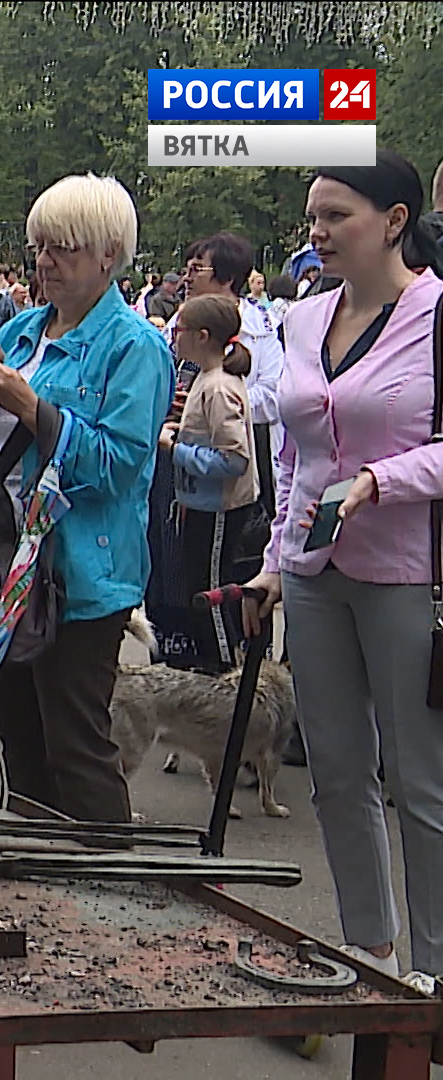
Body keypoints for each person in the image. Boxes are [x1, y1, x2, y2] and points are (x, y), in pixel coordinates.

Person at [243, 149, 443, 990]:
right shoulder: (300, 319)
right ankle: (372, 950)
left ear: (394, 221)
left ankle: (434, 968)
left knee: (420, 779)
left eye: (336, 216)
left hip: (406, 573)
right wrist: (273, 563)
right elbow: (294, 457)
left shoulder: (437, 315)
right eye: (313, 217)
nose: (317, 232)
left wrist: (381, 481)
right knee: (334, 767)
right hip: (315, 571)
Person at [0, 174, 171, 823]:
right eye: (39, 246)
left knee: (75, 741)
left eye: (63, 248)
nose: (44, 261)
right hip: (8, 563)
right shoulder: (19, 331)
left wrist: (35, 409)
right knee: (16, 733)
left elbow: (123, 467)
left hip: (80, 575)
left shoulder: (135, 346)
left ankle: (111, 892)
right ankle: (39, 886)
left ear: (109, 254)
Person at [159, 295, 264, 674]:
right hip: (200, 505)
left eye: (180, 330)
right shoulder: (207, 380)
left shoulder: (219, 386)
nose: (175, 336)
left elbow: (234, 460)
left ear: (203, 336)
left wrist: (175, 448)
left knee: (212, 591)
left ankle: (225, 667)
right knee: (198, 586)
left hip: (219, 508)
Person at [182, 232, 284, 516]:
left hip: (229, 475)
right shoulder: (176, 326)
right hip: (183, 468)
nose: (187, 278)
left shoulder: (262, 329)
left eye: (196, 269)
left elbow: (273, 396)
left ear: (226, 278)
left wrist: (215, 408)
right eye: (185, 269)